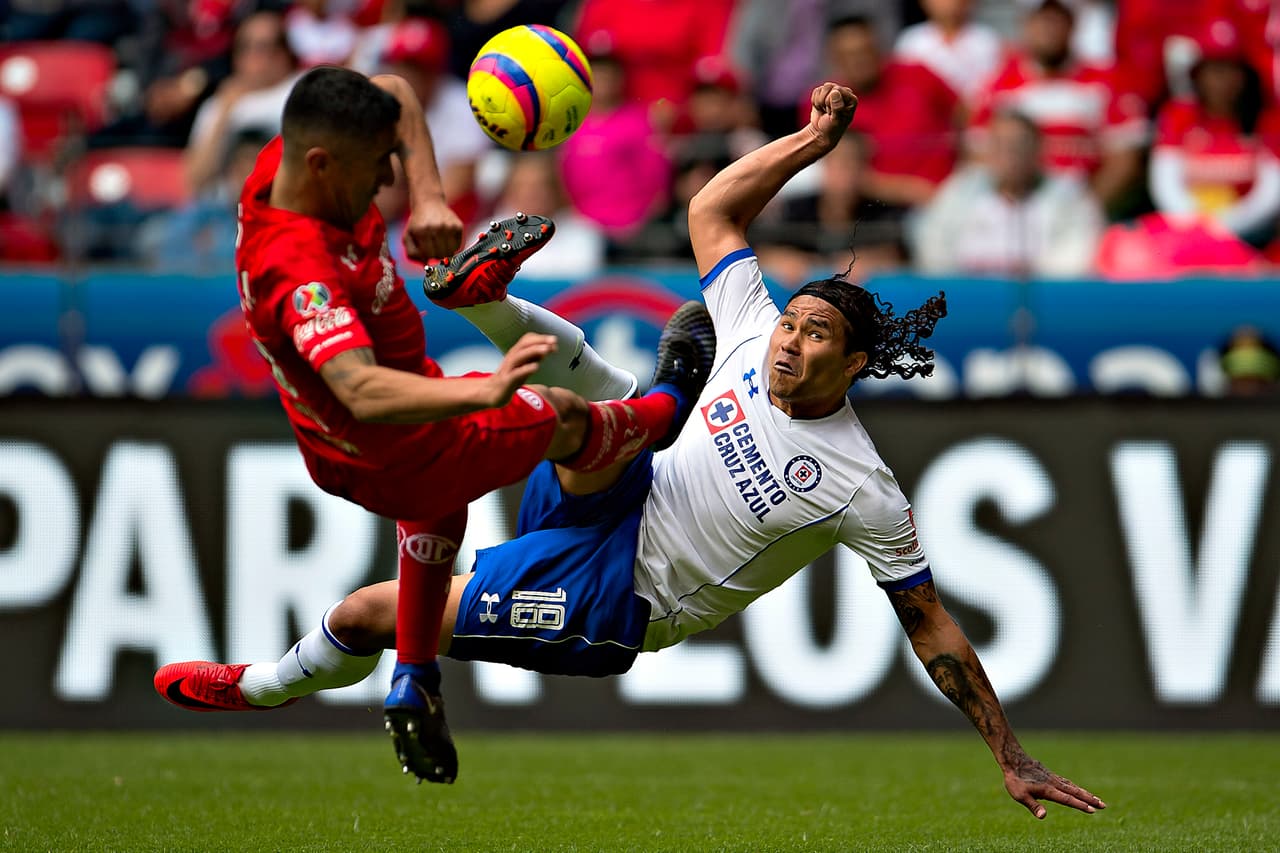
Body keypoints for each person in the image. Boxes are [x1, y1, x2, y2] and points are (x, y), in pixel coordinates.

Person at [156, 82, 1108, 821]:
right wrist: (813, 142)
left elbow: (930, 623)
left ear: (854, 364)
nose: (789, 339)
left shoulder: (861, 484)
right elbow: (712, 212)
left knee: (369, 613)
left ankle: (261, 686)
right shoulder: (752, 327)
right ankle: (513, 317)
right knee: (581, 413)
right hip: (617, 485)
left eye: (816, 336)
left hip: (622, 591)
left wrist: (1009, 752)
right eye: (792, 321)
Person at [156, 65, 717, 786]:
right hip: (396, 437)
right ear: (322, 164)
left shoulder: (290, 164)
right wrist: (485, 393)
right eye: (377, 165)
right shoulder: (298, 273)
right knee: (564, 416)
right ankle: (669, 403)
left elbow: (394, 88)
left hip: (387, 430)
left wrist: (427, 195)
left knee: (398, 569)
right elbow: (360, 388)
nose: (388, 176)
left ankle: (390, 678)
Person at [967, 0, 1149, 217]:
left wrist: (1083, 212)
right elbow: (978, 157)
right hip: (1016, 211)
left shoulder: (1109, 82)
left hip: (1084, 206)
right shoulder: (997, 86)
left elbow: (1124, 161)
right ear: (1025, 23)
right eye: (1041, 20)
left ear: (1074, 23)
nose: (1049, 29)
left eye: (1057, 20)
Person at [912, 111, 1103, 277]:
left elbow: (1077, 254)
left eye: (1018, 145)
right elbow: (934, 244)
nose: (1009, 153)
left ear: (1038, 149)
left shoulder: (1069, 196)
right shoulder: (961, 190)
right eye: (1000, 144)